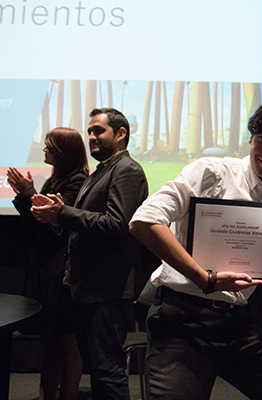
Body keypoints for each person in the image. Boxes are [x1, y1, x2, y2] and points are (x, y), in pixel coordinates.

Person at [129, 97, 262, 400]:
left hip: (235, 326)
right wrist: (204, 277)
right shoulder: (211, 172)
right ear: (251, 137)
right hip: (180, 322)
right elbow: (143, 221)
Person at [32, 108, 149, 400]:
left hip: (107, 291)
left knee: (108, 373)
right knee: (99, 372)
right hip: (89, 290)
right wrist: (59, 214)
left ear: (121, 134)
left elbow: (119, 224)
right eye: (90, 132)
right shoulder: (103, 170)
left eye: (99, 131)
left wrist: (64, 213)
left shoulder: (127, 170)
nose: (92, 137)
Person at [7, 127, 88, 400]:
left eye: (49, 146)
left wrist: (27, 192)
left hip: (61, 274)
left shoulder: (76, 181)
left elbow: (56, 227)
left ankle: (67, 396)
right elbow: (37, 222)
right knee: (50, 341)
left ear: (63, 151)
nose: (44, 150)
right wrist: (25, 195)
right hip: (47, 271)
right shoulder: (57, 179)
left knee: (66, 340)